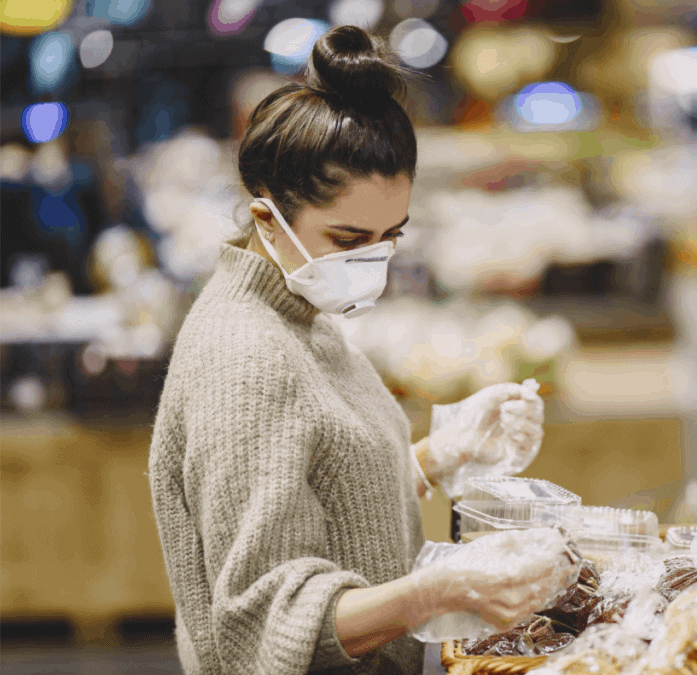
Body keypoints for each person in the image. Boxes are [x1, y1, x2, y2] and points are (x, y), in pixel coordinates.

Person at [148, 26, 575, 675]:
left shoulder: (301, 313)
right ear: (268, 218)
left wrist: (441, 453)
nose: (371, 262)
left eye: (389, 237)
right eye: (349, 238)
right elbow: (261, 623)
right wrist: (442, 590)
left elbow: (313, 493)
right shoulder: (245, 355)